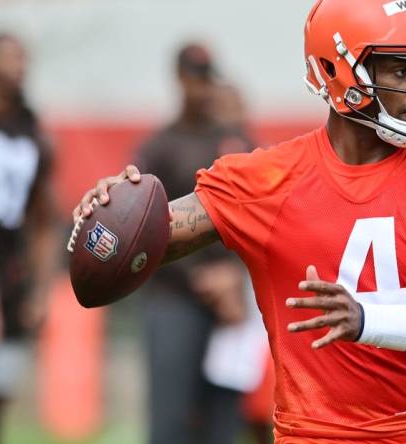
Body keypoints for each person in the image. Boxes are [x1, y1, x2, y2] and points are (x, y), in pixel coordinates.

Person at [73, 1, 406, 442]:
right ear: (337, 71)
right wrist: (104, 221)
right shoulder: (265, 180)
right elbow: (140, 242)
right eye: (402, 71)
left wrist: (369, 320)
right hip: (320, 434)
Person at [133, 42, 254, 444]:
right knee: (170, 423)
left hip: (229, 304)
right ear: (179, 79)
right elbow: (141, 227)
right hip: (174, 297)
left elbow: (262, 214)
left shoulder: (236, 141)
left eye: (206, 78)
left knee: (223, 423)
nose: (201, 89)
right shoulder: (159, 146)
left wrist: (236, 275)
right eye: (194, 78)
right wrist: (205, 276)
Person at [0, 33, 57, 444]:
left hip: (10, 276)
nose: (18, 66)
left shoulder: (30, 128)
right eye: (9, 58)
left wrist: (40, 290)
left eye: (23, 58)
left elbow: (43, 218)